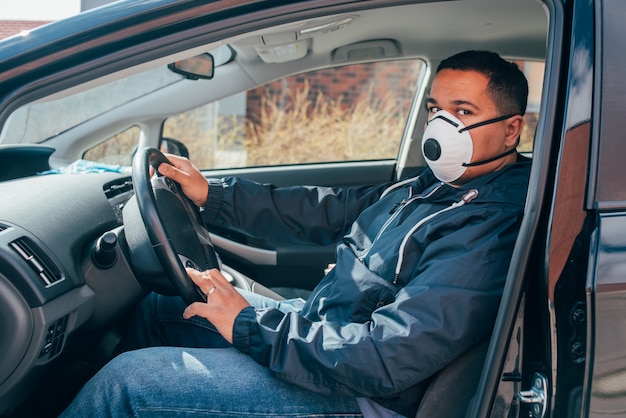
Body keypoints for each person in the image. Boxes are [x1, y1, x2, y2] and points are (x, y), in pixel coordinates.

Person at [60, 50, 531, 418]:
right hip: (324, 329)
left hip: (363, 394)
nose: (441, 126)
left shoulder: (489, 228)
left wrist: (247, 323)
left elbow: (385, 358)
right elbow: (329, 209)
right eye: (435, 108)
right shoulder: (434, 187)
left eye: (463, 111)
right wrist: (214, 196)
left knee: (128, 383)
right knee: (164, 307)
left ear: (511, 131)